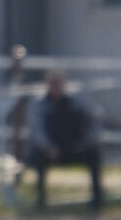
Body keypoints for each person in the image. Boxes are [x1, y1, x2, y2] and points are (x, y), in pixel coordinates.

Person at [25, 69, 103, 210]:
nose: (55, 87)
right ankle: (41, 201)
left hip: (75, 148)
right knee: (38, 154)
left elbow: (95, 119)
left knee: (94, 153)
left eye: (58, 83)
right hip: (51, 151)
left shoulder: (76, 102)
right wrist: (48, 147)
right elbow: (37, 130)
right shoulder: (40, 105)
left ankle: (97, 201)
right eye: (52, 83)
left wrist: (85, 143)